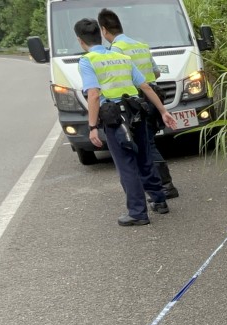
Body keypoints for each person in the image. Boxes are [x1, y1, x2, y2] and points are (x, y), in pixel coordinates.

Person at [75, 18, 177, 226]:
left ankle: (137, 213)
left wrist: (92, 127)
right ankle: (159, 201)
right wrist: (163, 111)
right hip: (137, 111)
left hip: (115, 118)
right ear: (100, 34)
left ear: (80, 40)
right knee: (144, 158)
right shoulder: (121, 56)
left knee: (127, 165)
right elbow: (146, 86)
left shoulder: (87, 61)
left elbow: (94, 95)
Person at [97, 8, 180, 199]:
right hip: (153, 96)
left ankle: (165, 185)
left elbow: (122, 77)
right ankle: (159, 185)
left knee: (146, 145)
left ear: (103, 30)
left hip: (137, 101)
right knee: (149, 142)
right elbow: (156, 72)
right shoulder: (141, 45)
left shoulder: (116, 50)